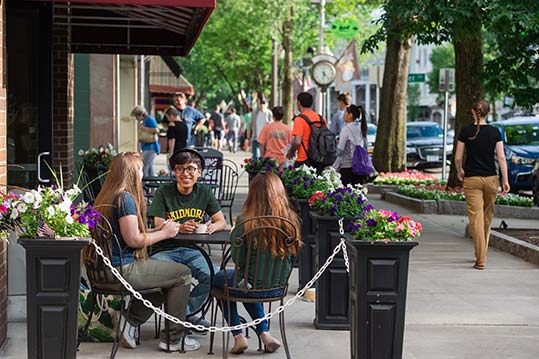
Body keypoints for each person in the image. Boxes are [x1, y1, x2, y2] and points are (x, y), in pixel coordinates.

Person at [86, 152, 200, 352]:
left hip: (102, 271)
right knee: (182, 274)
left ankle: (129, 320)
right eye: (139, 169)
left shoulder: (105, 196)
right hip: (121, 270)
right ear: (131, 173)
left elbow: (126, 233)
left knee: (166, 280)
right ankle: (173, 339)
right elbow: (134, 240)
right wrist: (165, 233)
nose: (142, 173)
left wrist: (154, 230)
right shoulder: (125, 198)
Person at [212, 172, 302, 354]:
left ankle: (238, 336)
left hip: (249, 284)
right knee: (246, 284)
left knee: (219, 280)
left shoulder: (245, 222)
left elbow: (238, 260)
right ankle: (265, 335)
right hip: (277, 287)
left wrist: (234, 235)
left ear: (252, 194)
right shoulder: (291, 220)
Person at [149, 149, 227, 326]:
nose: (185, 174)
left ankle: (184, 315)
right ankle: (182, 320)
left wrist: (211, 226)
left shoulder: (204, 192)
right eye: (180, 169)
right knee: (168, 279)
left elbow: (221, 221)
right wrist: (179, 228)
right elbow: (158, 224)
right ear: (174, 172)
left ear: (199, 172)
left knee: (215, 277)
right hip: (165, 250)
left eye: (191, 169)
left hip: (193, 250)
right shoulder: (164, 192)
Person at [455, 99, 510, 270]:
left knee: (476, 219)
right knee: (486, 217)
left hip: (471, 180)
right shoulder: (495, 132)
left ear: (473, 112)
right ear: (488, 113)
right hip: (491, 179)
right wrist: (505, 180)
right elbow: (501, 157)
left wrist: (459, 170)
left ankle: (481, 258)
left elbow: (458, 157)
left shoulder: (466, 131)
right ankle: (482, 254)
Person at [286, 92, 329, 172]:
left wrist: (291, 152)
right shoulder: (321, 119)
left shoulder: (299, 119)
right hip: (319, 160)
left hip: (304, 160)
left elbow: (297, 142)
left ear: (299, 103)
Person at [333, 104, 369, 185]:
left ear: (350, 115)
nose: (344, 115)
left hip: (347, 166)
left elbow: (340, 150)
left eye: (345, 113)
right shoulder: (360, 127)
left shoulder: (346, 129)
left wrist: (334, 166)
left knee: (346, 192)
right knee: (357, 192)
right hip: (359, 165)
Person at [131, 105, 159, 177]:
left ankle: (143, 186)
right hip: (146, 147)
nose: (136, 118)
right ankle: (153, 186)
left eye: (136, 116)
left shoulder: (149, 119)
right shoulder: (143, 121)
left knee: (144, 168)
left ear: (140, 114)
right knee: (150, 169)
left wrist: (143, 128)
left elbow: (156, 130)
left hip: (151, 147)